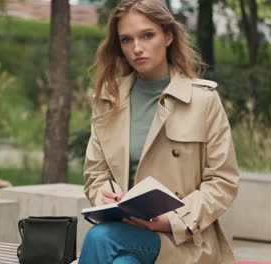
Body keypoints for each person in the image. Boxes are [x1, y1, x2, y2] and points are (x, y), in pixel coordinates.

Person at [79, 0, 240, 263]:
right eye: (126, 40)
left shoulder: (203, 100)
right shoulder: (109, 99)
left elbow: (223, 181)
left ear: (168, 36)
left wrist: (173, 220)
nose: (137, 48)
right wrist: (106, 193)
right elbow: (95, 173)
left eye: (147, 35)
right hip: (125, 228)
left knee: (100, 238)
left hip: (183, 239)